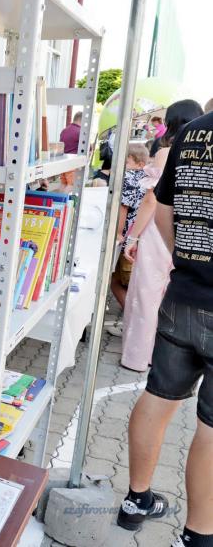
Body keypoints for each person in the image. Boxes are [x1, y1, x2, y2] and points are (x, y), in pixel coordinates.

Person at [118, 103, 213, 547]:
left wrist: (185, 259)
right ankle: (198, 537)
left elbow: (162, 208)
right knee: (210, 428)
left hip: (183, 294)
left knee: (158, 396)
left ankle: (136, 499)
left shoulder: (191, 133)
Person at [120, 100, 205, 369]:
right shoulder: (202, 153)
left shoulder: (167, 152)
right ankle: (163, 356)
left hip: (159, 228)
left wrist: (132, 237)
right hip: (188, 230)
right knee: (169, 294)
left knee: (147, 294)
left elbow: (151, 200)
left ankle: (138, 356)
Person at [107, 142, 149, 328]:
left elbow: (122, 208)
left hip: (127, 239)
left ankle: (135, 323)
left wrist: (117, 233)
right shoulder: (148, 178)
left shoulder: (128, 177)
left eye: (127, 162)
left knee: (117, 281)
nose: (123, 166)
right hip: (142, 237)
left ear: (139, 163)